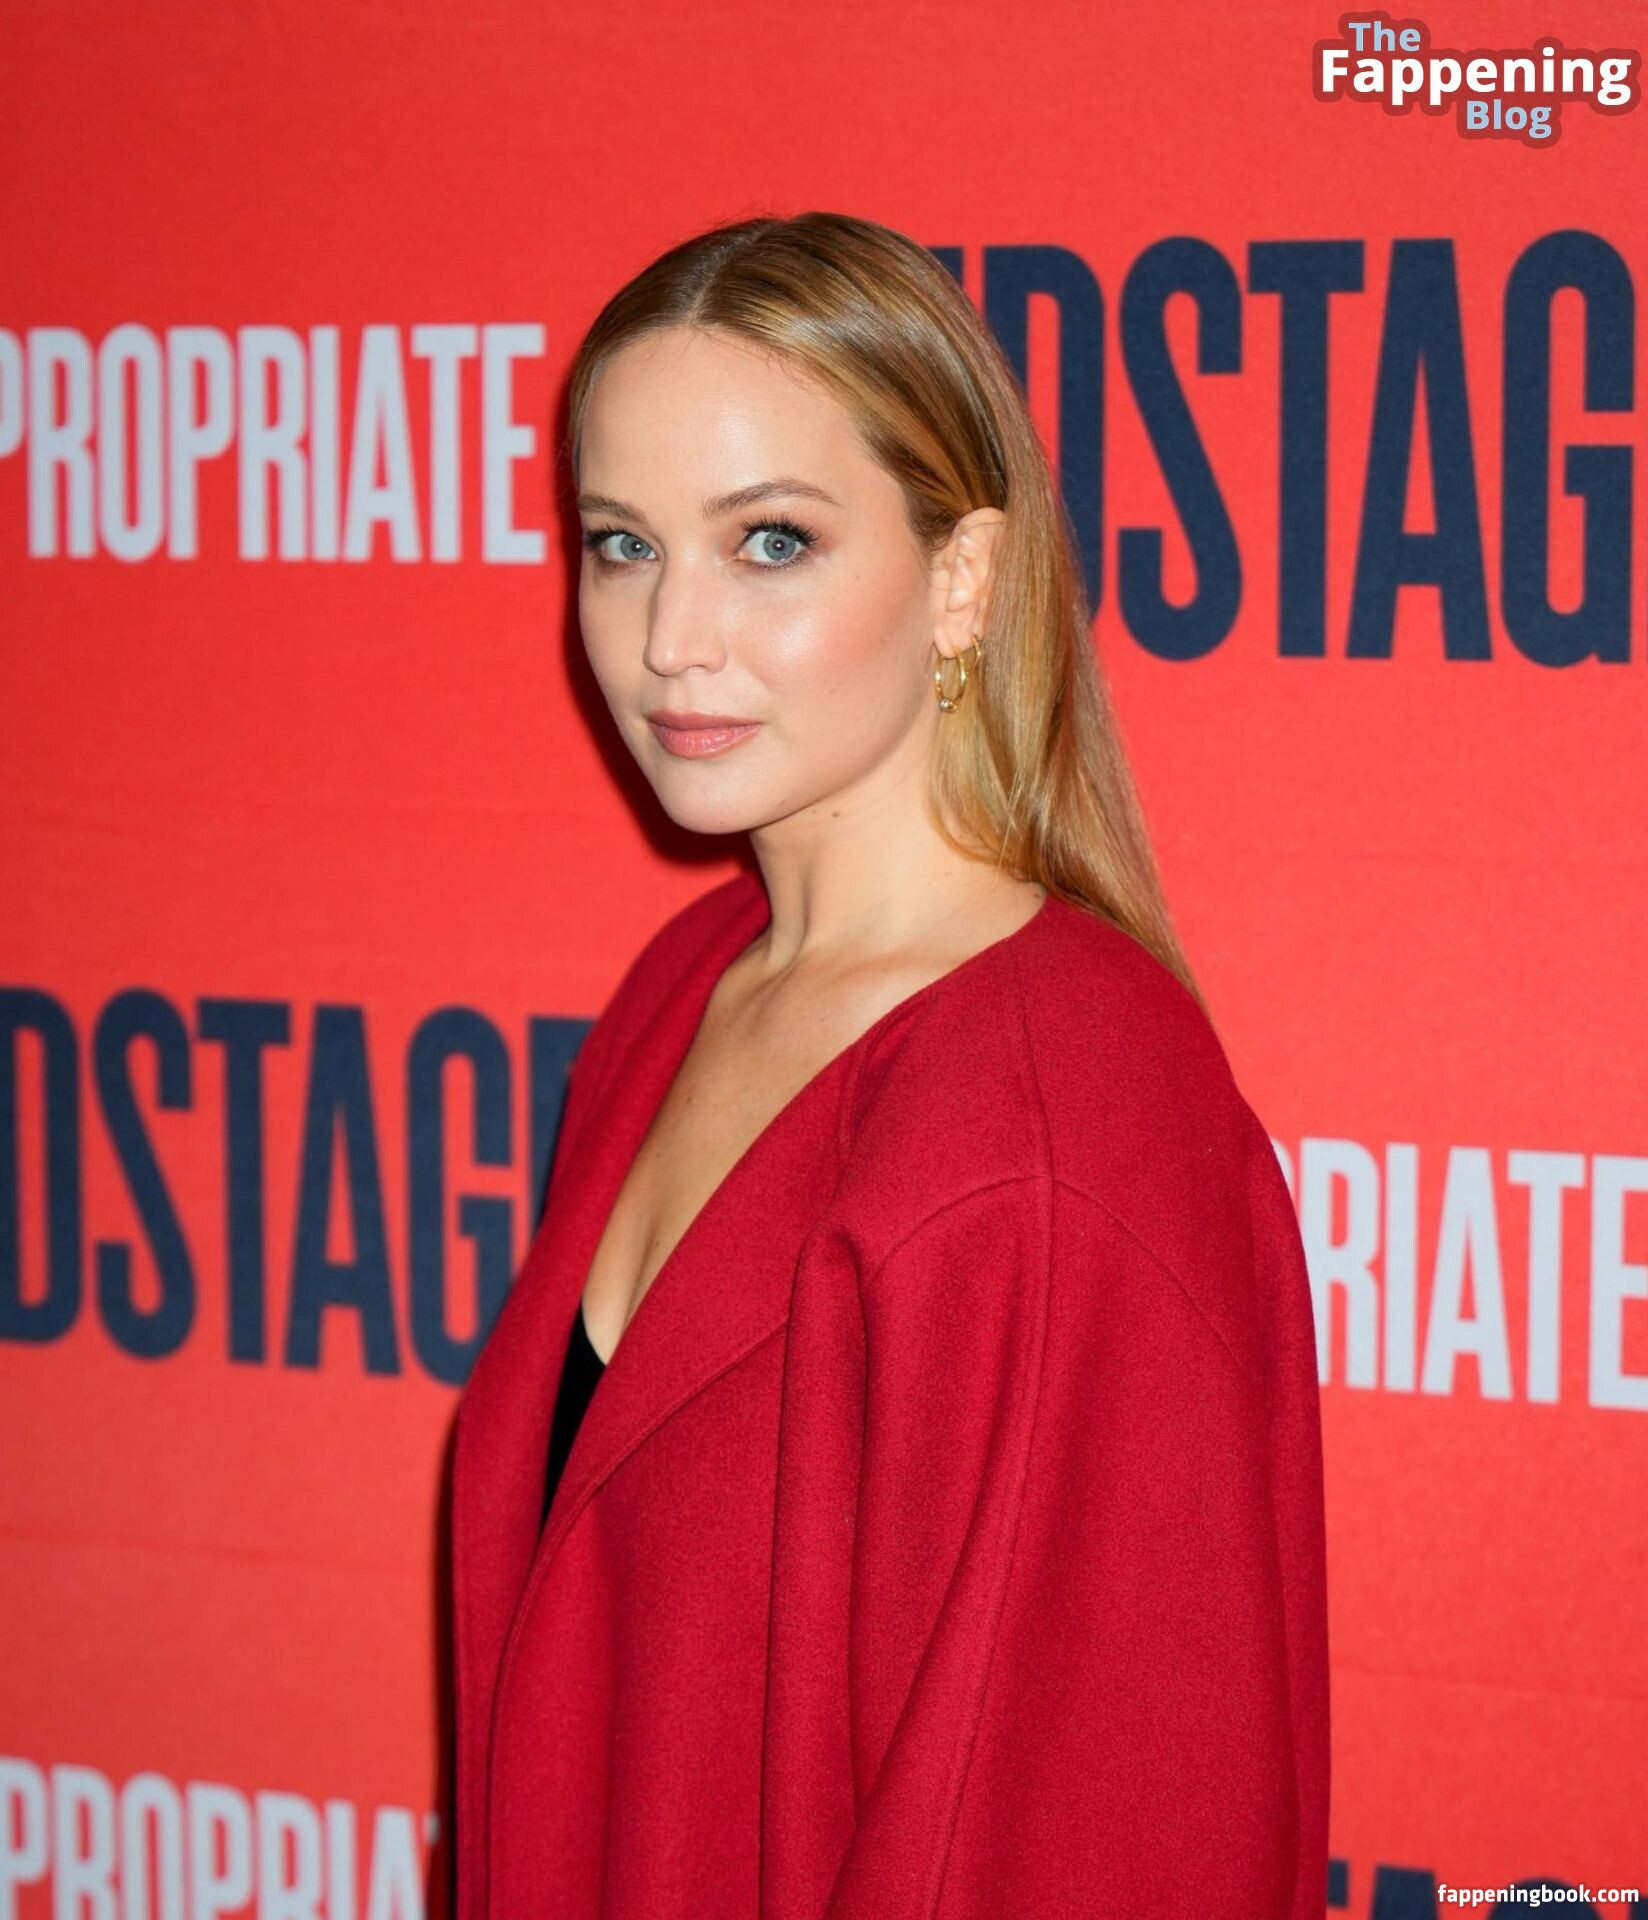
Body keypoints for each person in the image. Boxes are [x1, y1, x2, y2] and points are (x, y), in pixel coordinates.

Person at [449, 210, 1329, 1920]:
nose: (671, 636)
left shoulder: (1063, 1122)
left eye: (769, 542)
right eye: (622, 545)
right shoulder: (681, 992)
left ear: (963, 579)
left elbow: (1088, 1844)